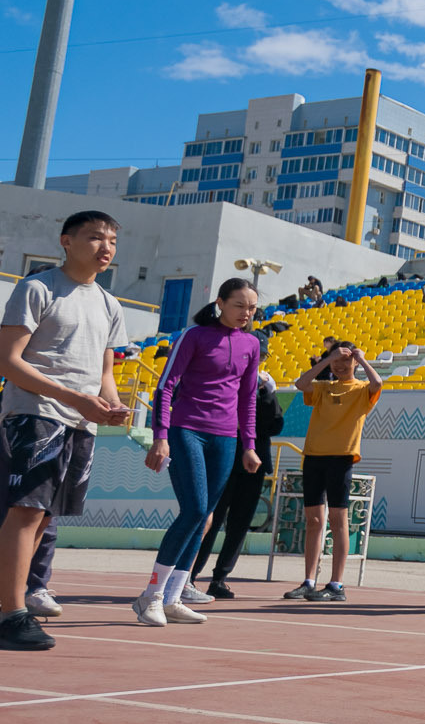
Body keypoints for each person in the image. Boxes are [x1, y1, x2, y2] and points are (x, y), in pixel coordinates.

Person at [0, 211, 128, 652]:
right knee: (25, 511)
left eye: (112, 240)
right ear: (66, 241)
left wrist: (111, 404)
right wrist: (75, 398)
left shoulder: (110, 304)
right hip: (35, 413)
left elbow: (104, 372)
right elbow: (8, 360)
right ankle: (12, 614)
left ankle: (11, 605)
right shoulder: (37, 288)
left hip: (80, 420)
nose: (105, 247)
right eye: (94, 237)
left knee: (44, 516)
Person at [134, 280, 263, 625]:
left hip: (226, 439)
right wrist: (161, 436)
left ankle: (173, 598)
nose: (246, 313)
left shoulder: (252, 344)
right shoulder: (194, 336)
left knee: (205, 515)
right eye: (239, 305)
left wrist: (249, 445)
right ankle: (151, 595)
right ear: (220, 303)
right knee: (193, 510)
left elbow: (247, 398)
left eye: (252, 307)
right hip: (187, 430)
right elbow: (165, 386)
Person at [286, 342, 383, 602]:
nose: (340, 366)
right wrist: (328, 360)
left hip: (341, 459)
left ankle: (336, 584)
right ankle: (309, 581)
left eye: (345, 361)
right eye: (336, 361)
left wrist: (362, 360)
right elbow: (300, 383)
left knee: (338, 521)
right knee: (314, 521)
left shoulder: (361, 389)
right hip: (313, 457)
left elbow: (377, 383)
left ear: (354, 363)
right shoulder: (324, 387)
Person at [195, 370, 286, 599]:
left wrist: (267, 393)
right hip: (222, 461)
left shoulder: (264, 393)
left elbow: (275, 426)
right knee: (210, 521)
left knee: (239, 524)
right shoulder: (227, 385)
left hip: (252, 466)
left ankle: (219, 579)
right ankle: (189, 575)